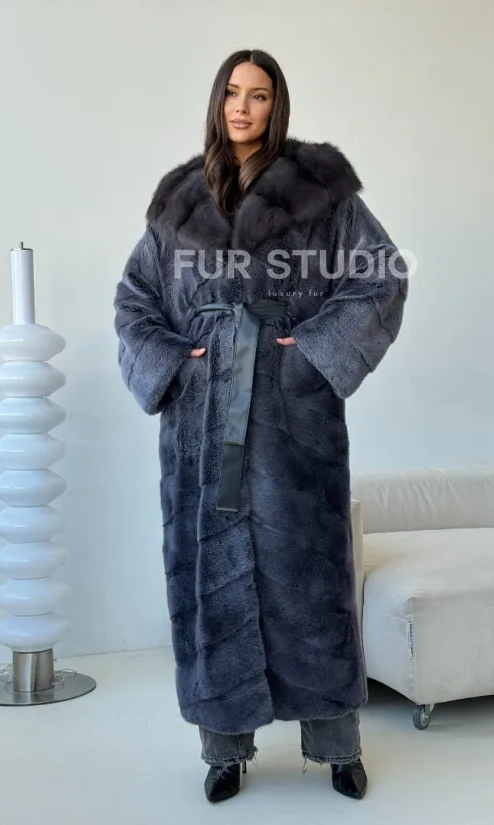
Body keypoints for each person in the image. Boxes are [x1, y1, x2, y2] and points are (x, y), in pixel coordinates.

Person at [114, 48, 408, 804]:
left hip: (290, 418)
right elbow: (135, 299)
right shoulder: (179, 202)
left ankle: (337, 745)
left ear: (278, 106)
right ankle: (224, 748)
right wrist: (176, 363)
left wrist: (309, 352)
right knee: (210, 585)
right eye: (233, 93)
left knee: (310, 581)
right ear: (218, 102)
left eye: (260, 95)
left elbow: (380, 273)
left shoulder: (321, 194)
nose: (243, 107)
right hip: (202, 421)